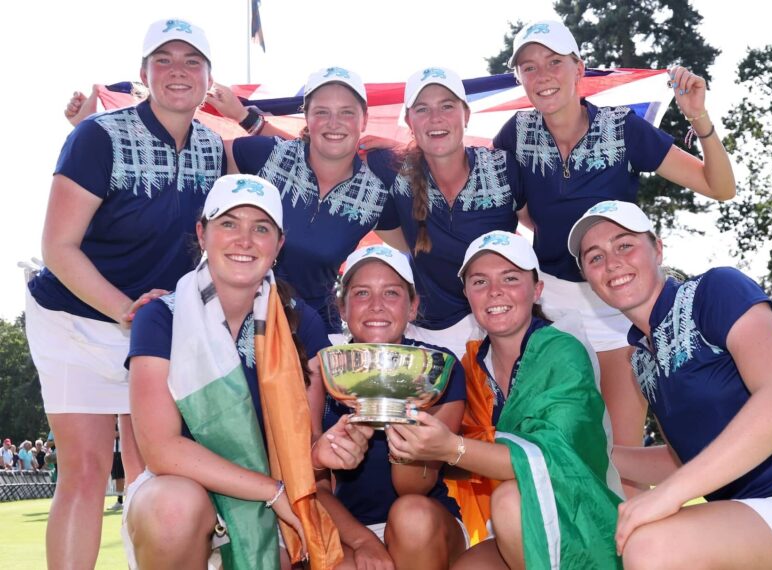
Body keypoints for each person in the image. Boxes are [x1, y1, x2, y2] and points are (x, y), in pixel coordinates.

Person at [492, 19, 738, 493]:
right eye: (529, 66)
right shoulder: (515, 134)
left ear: (578, 68)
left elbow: (718, 187)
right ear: (520, 77)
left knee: (618, 459)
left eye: (554, 62)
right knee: (557, 443)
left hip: (619, 300)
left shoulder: (622, 127)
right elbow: (518, 209)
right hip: (552, 302)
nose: (542, 75)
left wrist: (699, 120)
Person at [569, 200, 772, 569]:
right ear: (587, 277)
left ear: (657, 248)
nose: (612, 262)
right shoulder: (642, 361)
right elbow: (683, 460)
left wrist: (668, 496)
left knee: (652, 545)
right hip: (748, 522)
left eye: (625, 245)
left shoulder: (715, 290)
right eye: (594, 257)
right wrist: (593, 452)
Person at [25, 18, 226, 569]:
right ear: (143, 73)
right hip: (74, 319)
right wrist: (123, 310)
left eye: (192, 61)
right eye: (164, 60)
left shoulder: (216, 149)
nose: (178, 71)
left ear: (209, 78)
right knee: (86, 472)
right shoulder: (98, 136)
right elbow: (58, 246)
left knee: (156, 474)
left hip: (156, 328)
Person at [125, 174, 372, 570]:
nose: (244, 240)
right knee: (173, 509)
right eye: (228, 223)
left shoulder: (299, 323)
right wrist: (271, 491)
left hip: (274, 500)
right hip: (187, 496)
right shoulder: (161, 317)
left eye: (260, 228)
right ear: (202, 233)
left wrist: (322, 455)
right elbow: (160, 449)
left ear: (278, 245)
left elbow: (302, 451)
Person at [387, 230, 622, 569]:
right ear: (466, 293)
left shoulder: (562, 352)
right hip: (511, 520)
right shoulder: (471, 364)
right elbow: (471, 461)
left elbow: (553, 460)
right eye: (479, 282)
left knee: (512, 499)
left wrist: (449, 448)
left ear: (536, 289)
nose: (494, 291)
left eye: (510, 278)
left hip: (578, 511)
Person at [313, 244, 468, 569]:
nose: (376, 306)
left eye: (392, 293)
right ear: (342, 308)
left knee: (410, 516)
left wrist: (395, 408)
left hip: (426, 523)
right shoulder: (324, 370)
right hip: (349, 528)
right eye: (362, 293)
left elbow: (415, 486)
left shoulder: (437, 367)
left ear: (413, 307)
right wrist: (364, 541)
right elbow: (314, 484)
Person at [207, 68, 393, 332]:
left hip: (313, 331)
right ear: (307, 117)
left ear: (364, 120)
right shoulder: (270, 156)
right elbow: (194, 157)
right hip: (237, 322)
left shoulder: (376, 191)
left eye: (347, 112)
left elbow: (417, 248)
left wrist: (402, 150)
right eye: (321, 112)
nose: (333, 122)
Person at [370, 67, 525, 360]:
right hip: (432, 337)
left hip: (506, 329)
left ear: (466, 115)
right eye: (423, 109)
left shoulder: (504, 168)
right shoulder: (389, 168)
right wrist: (256, 121)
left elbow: (538, 226)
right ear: (409, 121)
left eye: (447, 106)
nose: (435, 118)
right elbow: (323, 155)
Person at [108, 419, 125, 511]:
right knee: (118, 476)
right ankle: (120, 500)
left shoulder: (122, 418)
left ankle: (122, 501)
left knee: (121, 476)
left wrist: (117, 433)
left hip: (122, 451)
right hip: (115, 451)